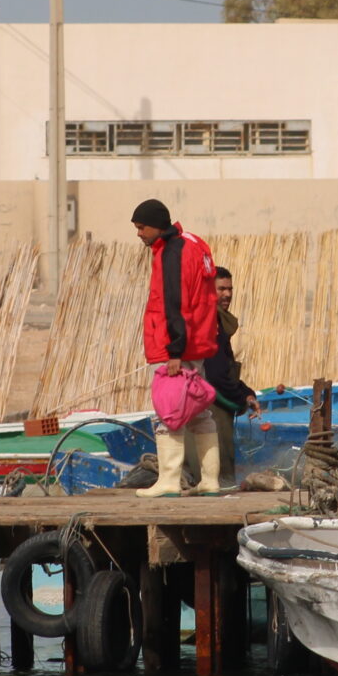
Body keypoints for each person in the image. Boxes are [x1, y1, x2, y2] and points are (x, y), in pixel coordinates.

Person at [132, 198, 222, 497]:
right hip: (196, 342)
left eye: (142, 227)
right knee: (199, 413)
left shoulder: (173, 252)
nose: (139, 234)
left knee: (168, 412)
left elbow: (175, 303)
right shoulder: (193, 242)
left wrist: (174, 352)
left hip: (176, 345)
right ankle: (210, 480)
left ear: (157, 224)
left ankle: (169, 480)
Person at [200, 265, 255, 490]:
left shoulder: (219, 322)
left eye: (230, 289)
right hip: (211, 404)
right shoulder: (208, 323)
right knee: (218, 463)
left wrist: (245, 393)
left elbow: (223, 367)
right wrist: (241, 397)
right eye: (221, 289)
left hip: (215, 400)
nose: (228, 294)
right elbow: (216, 374)